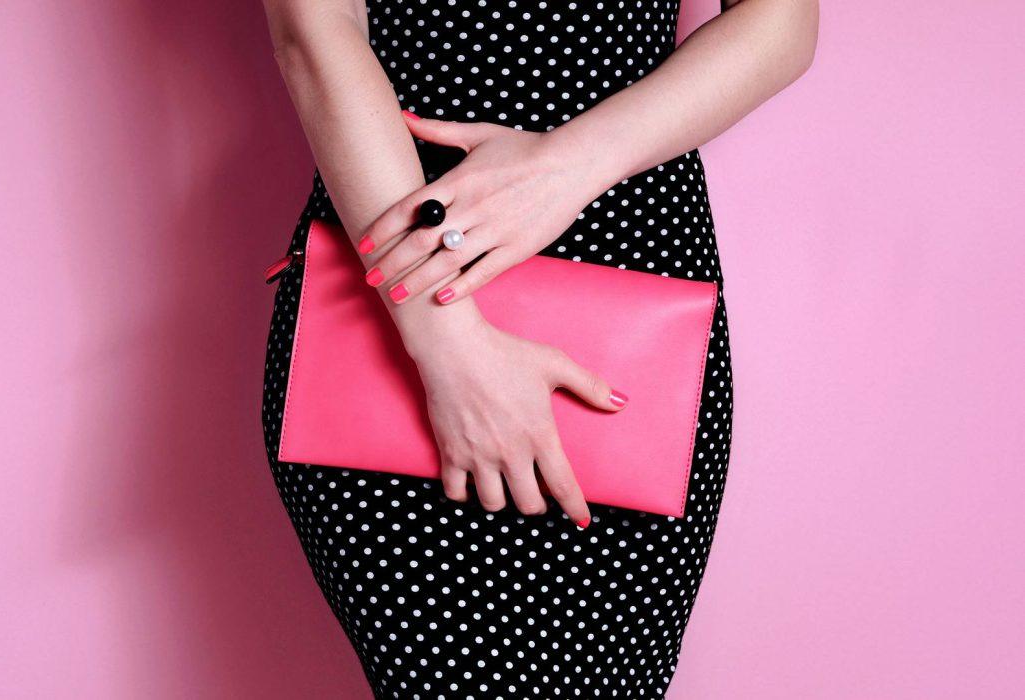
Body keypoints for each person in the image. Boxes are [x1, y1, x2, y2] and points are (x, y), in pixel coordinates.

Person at [259, 0, 818, 696]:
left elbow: (783, 22)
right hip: (395, 314)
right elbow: (314, 32)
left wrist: (562, 171)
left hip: (636, 316)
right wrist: (448, 341)